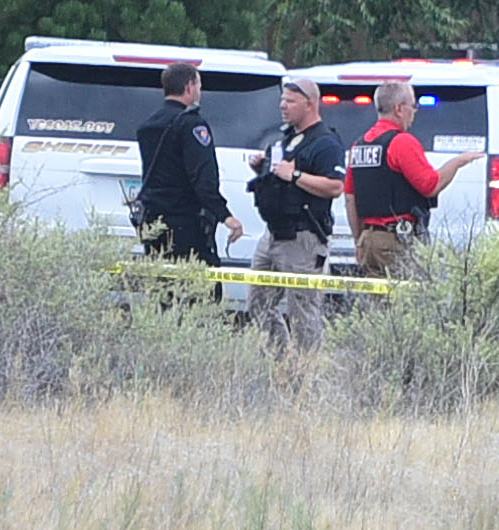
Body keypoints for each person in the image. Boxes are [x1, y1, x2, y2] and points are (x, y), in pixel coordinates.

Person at [342, 80, 482, 277]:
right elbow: (430, 185)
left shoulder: (359, 145)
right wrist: (458, 162)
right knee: (405, 304)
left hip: (368, 240)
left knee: (375, 304)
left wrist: (359, 238)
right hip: (396, 240)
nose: (414, 113)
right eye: (413, 106)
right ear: (399, 109)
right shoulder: (401, 142)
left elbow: (350, 198)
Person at [244, 76, 344, 349]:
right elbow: (281, 179)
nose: (283, 106)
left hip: (304, 238)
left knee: (303, 314)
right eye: (282, 100)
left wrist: (296, 175)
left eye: (290, 101)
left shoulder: (326, 143)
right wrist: (263, 169)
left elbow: (335, 186)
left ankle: (307, 373)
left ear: (310, 104)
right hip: (273, 234)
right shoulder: (285, 139)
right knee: (258, 305)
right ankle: (280, 362)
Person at [134, 62, 244, 268]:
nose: (199, 91)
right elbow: (203, 178)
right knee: (200, 289)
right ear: (189, 87)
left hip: (152, 221)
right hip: (184, 223)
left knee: (162, 285)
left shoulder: (148, 125)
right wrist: (225, 216)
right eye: (199, 85)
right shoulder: (191, 124)